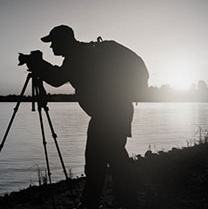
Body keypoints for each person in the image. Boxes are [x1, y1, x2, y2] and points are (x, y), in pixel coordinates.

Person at [26, 25, 139, 209]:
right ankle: (123, 201)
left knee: (99, 160)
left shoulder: (77, 57)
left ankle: (97, 203)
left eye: (53, 42)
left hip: (108, 114)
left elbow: (57, 78)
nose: (51, 47)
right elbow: (60, 75)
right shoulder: (85, 53)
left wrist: (37, 64)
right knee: (113, 157)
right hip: (116, 111)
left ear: (64, 41)